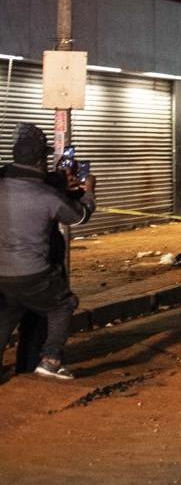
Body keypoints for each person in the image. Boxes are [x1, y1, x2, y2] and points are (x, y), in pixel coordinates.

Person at [0, 124, 95, 381]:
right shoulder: (46, 195)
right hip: (34, 271)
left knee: (7, 314)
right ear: (41, 160)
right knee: (64, 304)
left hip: (3, 272)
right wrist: (88, 192)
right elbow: (80, 216)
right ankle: (51, 360)